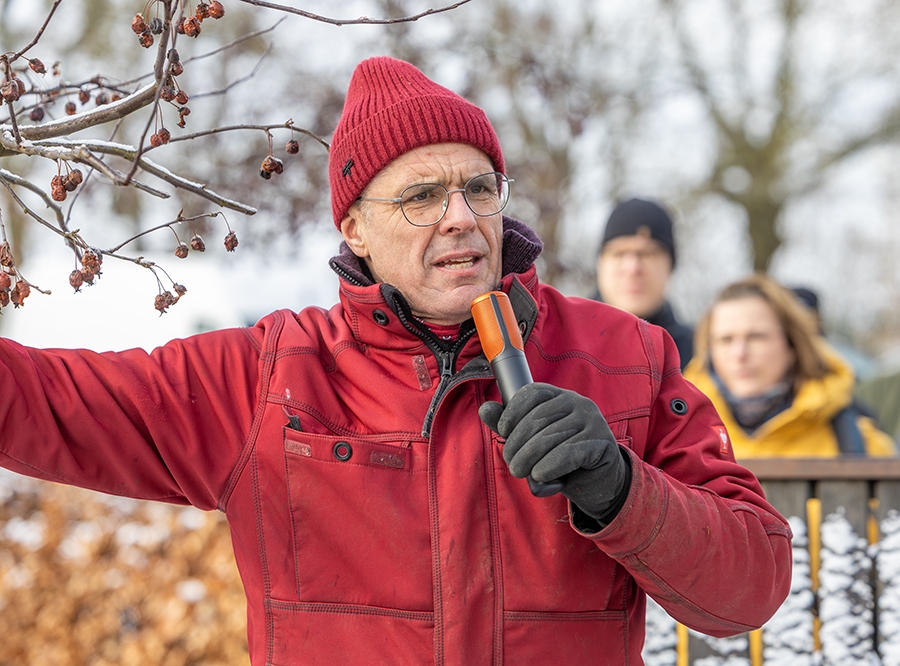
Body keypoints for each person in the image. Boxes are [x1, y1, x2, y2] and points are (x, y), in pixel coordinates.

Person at [0, 56, 791, 665]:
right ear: (355, 229)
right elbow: (40, 400)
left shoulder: (624, 357)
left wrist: (621, 490)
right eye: (420, 197)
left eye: (479, 189)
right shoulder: (270, 377)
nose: (459, 218)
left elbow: (751, 586)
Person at [684, 273, 896, 458]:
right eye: (725, 340)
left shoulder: (861, 444)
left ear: (792, 346)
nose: (739, 354)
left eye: (756, 337)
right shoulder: (676, 437)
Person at [593, 197, 694, 369]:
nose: (633, 268)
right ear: (599, 263)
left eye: (648, 254)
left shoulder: (700, 359)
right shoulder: (560, 346)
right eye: (618, 254)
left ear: (671, 265)